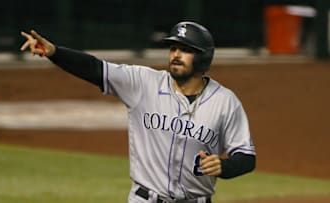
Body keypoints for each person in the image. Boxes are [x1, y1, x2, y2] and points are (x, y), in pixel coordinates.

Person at [20, 21, 256, 203]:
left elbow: (246, 157)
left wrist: (224, 167)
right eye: (173, 48)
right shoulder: (143, 83)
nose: (175, 54)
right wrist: (54, 52)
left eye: (185, 50)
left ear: (203, 57)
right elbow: (94, 68)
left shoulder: (225, 102)